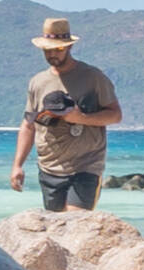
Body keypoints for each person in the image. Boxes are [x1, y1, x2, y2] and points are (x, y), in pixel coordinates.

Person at [13, 17, 120, 214]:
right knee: (56, 225)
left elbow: (115, 115)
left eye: (58, 49)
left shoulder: (93, 77)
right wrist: (17, 165)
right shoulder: (38, 82)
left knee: (75, 221)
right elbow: (28, 125)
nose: (52, 54)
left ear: (69, 47)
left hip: (86, 166)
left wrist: (82, 119)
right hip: (49, 167)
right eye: (47, 49)